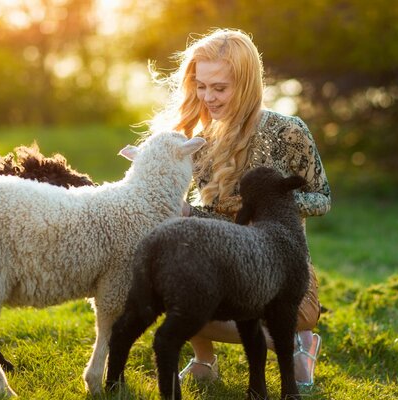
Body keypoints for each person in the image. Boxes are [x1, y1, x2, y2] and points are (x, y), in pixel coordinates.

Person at [146, 28, 331, 387]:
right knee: (171, 297)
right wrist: (185, 213)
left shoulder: (288, 132)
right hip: (220, 262)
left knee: (299, 314)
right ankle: (205, 360)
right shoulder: (194, 138)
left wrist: (272, 201)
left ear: (246, 84)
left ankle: (297, 342)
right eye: (201, 86)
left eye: (220, 88)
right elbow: (209, 219)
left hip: (279, 266)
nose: (208, 97)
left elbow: (322, 198)